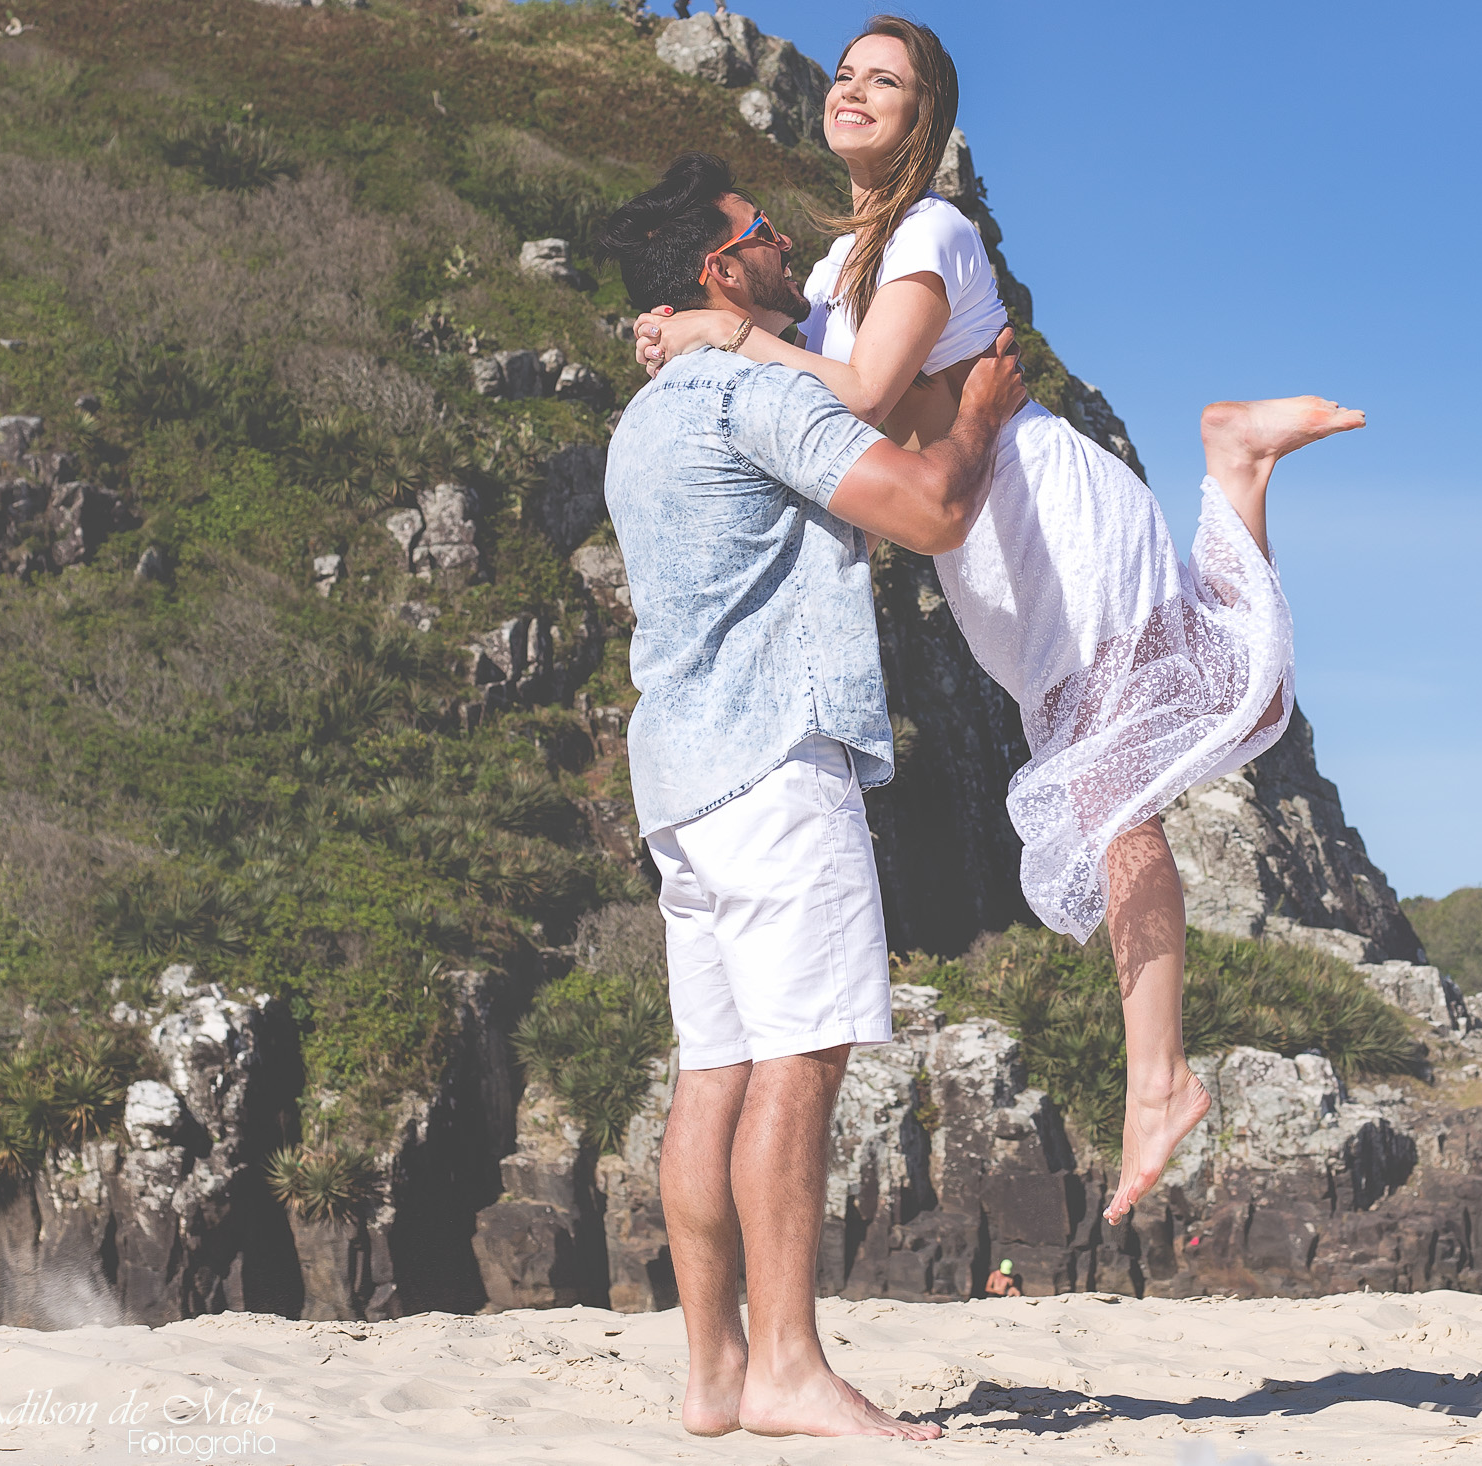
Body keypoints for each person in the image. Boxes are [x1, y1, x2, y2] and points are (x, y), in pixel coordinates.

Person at [633, 17, 1366, 1226]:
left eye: (887, 81)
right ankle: (1232, 463)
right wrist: (694, 330)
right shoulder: (824, 277)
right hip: (988, 559)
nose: (856, 90)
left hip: (1046, 513)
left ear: (922, 121)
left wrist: (724, 332)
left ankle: (1158, 1078)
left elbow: (865, 395)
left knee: (1122, 788)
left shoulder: (930, 232)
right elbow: (812, 405)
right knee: (1111, 786)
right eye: (848, 74)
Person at [594, 151, 1027, 1440]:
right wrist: (985, 410)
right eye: (767, 233)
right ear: (720, 268)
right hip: (777, 762)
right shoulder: (738, 395)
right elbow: (932, 507)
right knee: (798, 1061)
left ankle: (714, 1373)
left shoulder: (643, 417)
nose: (789, 247)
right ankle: (785, 1364)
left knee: (711, 1074)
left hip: (677, 783)